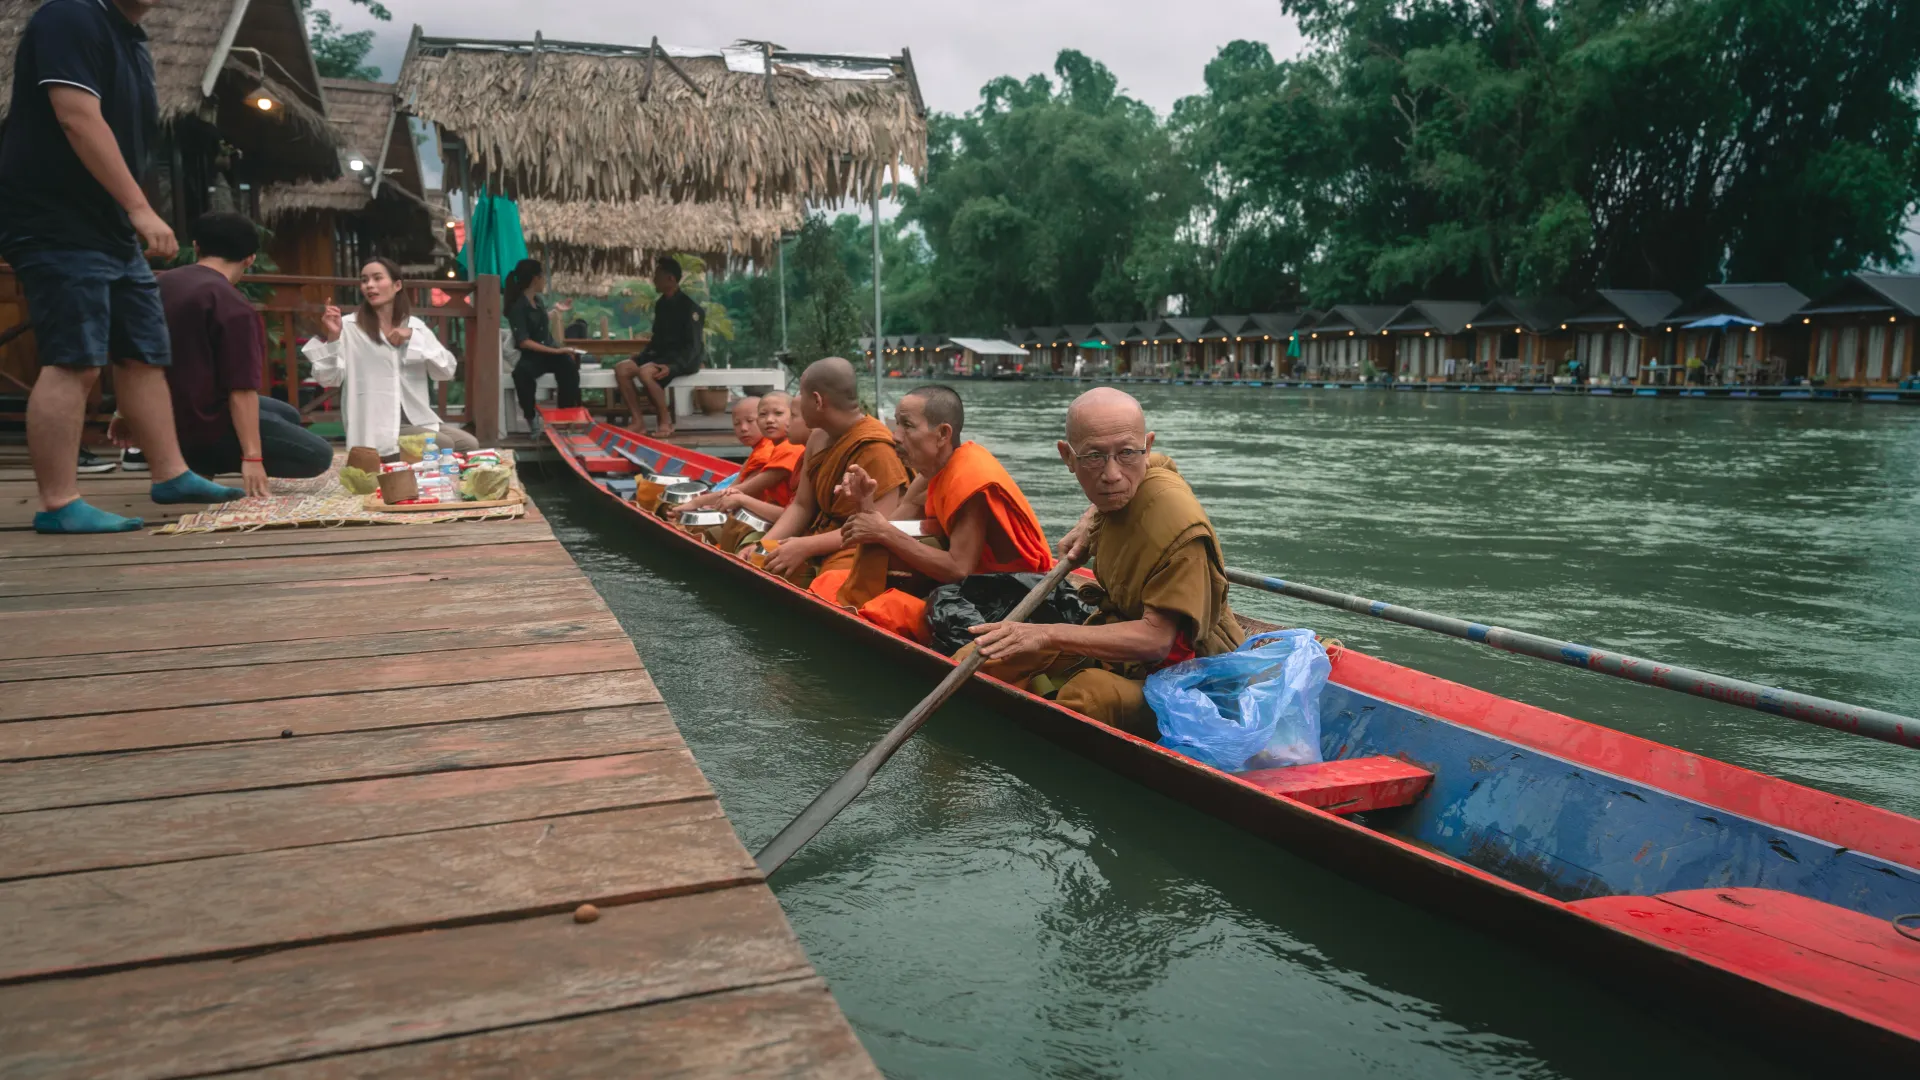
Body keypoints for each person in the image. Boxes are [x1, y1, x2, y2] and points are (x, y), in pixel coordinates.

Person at [0, 0, 243, 532]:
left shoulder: (134, 40)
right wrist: (139, 208)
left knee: (143, 350)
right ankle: (59, 503)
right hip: (55, 218)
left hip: (109, 224)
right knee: (75, 357)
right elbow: (76, 115)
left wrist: (131, 209)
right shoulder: (69, 15)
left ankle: (171, 473)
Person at [967, 387, 1245, 738]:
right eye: (1094, 457)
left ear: (1145, 445)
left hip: (1193, 678)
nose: (1112, 474)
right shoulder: (1132, 478)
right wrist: (1091, 516)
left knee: (1085, 698)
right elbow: (1161, 461)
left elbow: (1157, 641)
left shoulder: (1180, 528)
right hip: (1125, 648)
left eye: (1126, 453)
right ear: (1068, 457)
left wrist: (1044, 635)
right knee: (978, 656)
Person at [839, 385, 1053, 642]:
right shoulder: (931, 473)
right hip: (968, 584)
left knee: (887, 609)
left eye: (907, 425)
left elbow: (958, 568)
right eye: (896, 424)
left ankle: (851, 616)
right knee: (852, 569)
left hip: (1015, 595)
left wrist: (882, 531)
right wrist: (865, 503)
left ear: (942, 434)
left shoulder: (969, 477)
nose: (895, 435)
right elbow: (888, 528)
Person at [150, 211, 331, 494]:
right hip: (200, 430)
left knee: (287, 414)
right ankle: (198, 462)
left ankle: (193, 459)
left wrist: (124, 412)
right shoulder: (233, 306)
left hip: (156, 418)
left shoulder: (160, 285)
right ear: (250, 258)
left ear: (197, 247)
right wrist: (252, 458)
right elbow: (241, 389)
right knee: (320, 456)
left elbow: (136, 357)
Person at [303, 257, 480, 458]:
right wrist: (333, 337)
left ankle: (429, 480)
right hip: (377, 429)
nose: (370, 285)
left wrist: (414, 338)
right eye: (364, 280)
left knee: (469, 444)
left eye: (377, 278)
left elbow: (446, 371)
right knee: (442, 444)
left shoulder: (415, 326)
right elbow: (327, 378)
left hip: (415, 420)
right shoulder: (349, 327)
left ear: (397, 285)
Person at [760, 357, 908, 590]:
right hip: (820, 535)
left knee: (826, 589)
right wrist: (765, 546)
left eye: (802, 395)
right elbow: (802, 507)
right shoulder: (817, 437)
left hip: (859, 547)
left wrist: (806, 547)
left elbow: (877, 528)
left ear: (817, 400)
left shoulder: (875, 447)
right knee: (761, 563)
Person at [613, 257, 704, 439]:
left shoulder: (690, 308)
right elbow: (658, 339)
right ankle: (638, 422)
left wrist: (673, 367)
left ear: (670, 279)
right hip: (661, 356)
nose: (654, 280)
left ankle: (665, 421)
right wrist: (640, 357)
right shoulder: (661, 304)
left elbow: (692, 347)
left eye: (657, 276)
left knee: (646, 373)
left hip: (682, 359)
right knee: (622, 368)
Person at [504, 258, 581, 435]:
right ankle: (532, 420)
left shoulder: (537, 301)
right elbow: (524, 341)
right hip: (533, 356)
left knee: (569, 366)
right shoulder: (518, 307)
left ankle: (565, 416)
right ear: (535, 279)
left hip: (549, 353)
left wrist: (556, 311)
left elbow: (538, 321)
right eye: (542, 276)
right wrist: (557, 350)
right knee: (522, 374)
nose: (544, 280)